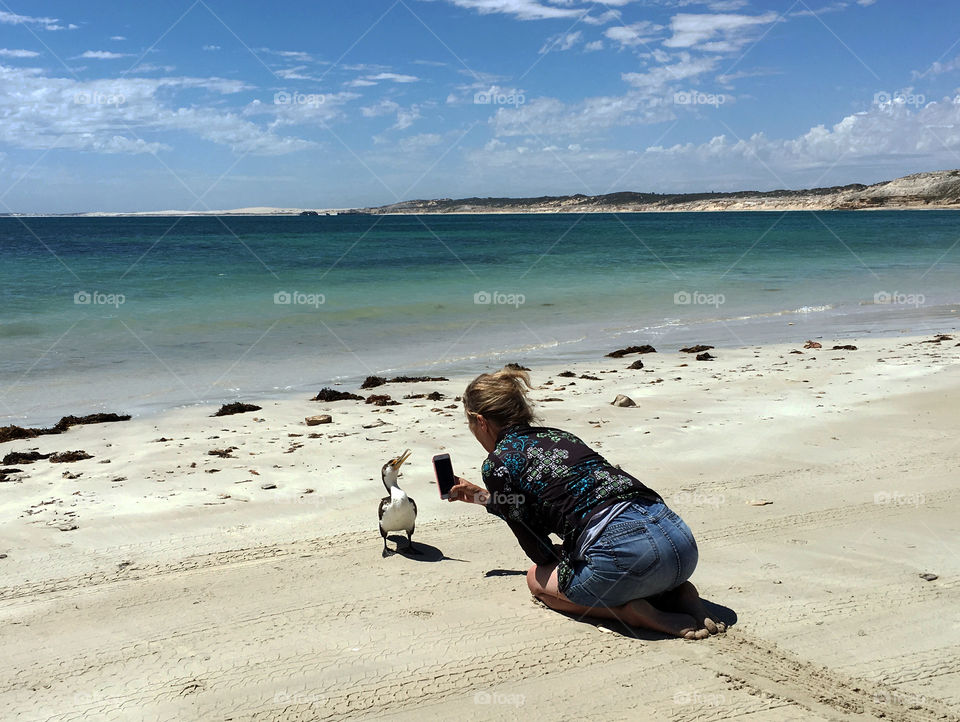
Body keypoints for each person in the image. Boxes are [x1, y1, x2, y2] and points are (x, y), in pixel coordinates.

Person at [448, 366, 725, 640]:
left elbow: (536, 546)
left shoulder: (497, 463)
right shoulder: (561, 437)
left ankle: (631, 614)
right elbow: (557, 496)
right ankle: (679, 592)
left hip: (628, 555)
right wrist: (483, 497)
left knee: (537, 580)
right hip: (681, 542)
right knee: (631, 561)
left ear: (481, 421)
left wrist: (555, 558)